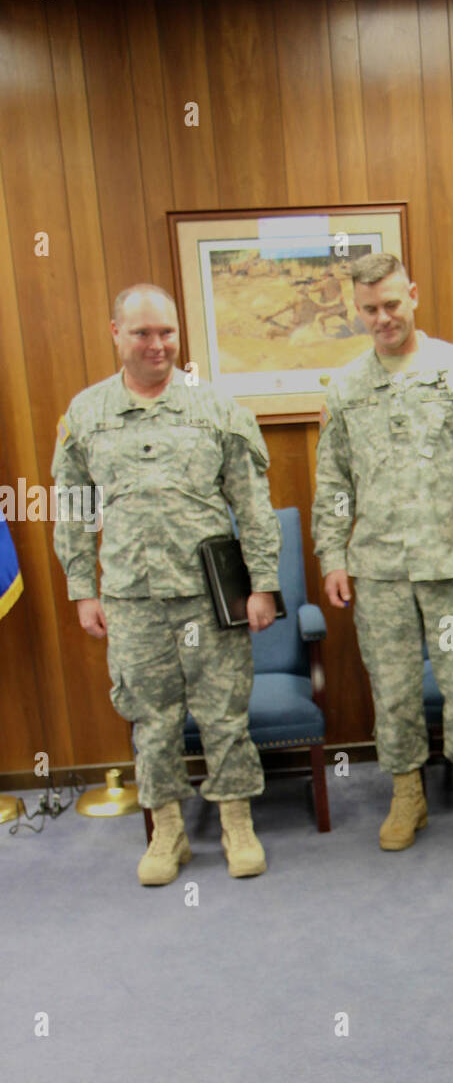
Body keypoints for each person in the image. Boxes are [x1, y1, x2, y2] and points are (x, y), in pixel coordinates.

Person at [52, 284, 282, 886]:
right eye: (142, 333)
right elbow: (73, 510)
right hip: (133, 600)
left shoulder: (217, 410)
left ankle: (236, 824)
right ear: (116, 334)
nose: (157, 345)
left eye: (167, 332)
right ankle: (168, 831)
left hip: (211, 598)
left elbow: (254, 509)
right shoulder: (86, 415)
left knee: (224, 716)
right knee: (151, 720)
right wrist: (82, 589)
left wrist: (263, 585)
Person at [312, 253, 453, 850]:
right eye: (369, 309)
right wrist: (331, 556)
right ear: (357, 311)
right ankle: (407, 794)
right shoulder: (346, 387)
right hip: (379, 568)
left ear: (413, 295)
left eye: (391, 304)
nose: (383, 318)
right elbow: (332, 485)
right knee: (393, 689)